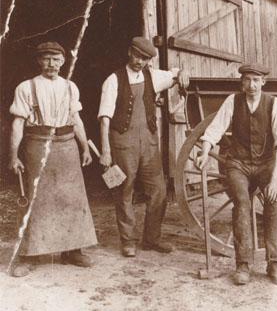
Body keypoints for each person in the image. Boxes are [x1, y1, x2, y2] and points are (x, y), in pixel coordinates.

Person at [196, 63, 277, 285]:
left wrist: (275, 181)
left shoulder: (274, 104)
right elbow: (215, 130)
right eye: (247, 80)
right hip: (237, 164)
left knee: (273, 201)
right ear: (242, 82)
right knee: (241, 203)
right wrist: (204, 152)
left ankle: (274, 263)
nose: (251, 85)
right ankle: (243, 265)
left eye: (256, 80)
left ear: (263, 82)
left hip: (266, 164)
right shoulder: (233, 101)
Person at [9, 41, 97, 277]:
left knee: (72, 199)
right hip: (37, 146)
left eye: (56, 59)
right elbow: (17, 124)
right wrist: (14, 155)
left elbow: (76, 120)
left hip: (67, 145)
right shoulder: (26, 88)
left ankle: (73, 251)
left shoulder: (70, 87)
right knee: (37, 201)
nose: (51, 63)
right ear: (39, 61)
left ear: (63, 61)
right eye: (46, 58)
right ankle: (30, 255)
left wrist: (84, 148)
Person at [98, 37, 189, 257]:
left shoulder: (153, 76)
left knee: (158, 189)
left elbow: (176, 74)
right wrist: (106, 150)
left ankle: (151, 238)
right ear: (130, 52)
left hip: (149, 142)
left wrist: (183, 73)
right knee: (123, 190)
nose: (140, 61)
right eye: (138, 56)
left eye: (146, 59)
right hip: (122, 142)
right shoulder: (113, 80)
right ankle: (128, 241)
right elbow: (104, 118)